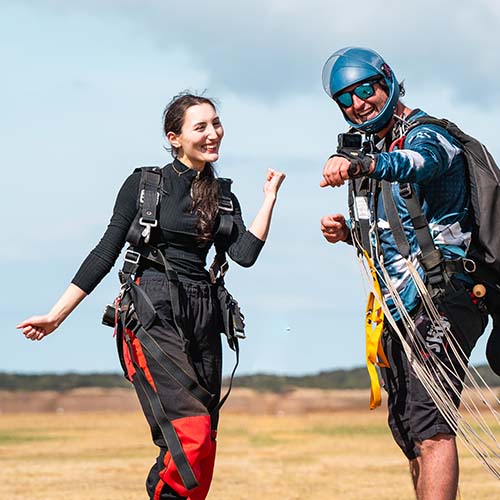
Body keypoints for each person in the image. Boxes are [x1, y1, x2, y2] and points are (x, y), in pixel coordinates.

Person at [17, 92, 286, 500]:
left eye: (215, 123)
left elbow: (244, 255)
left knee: (204, 444)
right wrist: (57, 315)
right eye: (200, 127)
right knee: (189, 434)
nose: (213, 133)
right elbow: (105, 251)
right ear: (174, 137)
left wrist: (269, 199)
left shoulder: (223, 195)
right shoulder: (145, 185)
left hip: (205, 312)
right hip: (152, 310)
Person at [319, 47, 488, 500]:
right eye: (345, 99)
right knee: (410, 431)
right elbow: (401, 233)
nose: (358, 103)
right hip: (398, 306)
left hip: (445, 295)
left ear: (387, 81)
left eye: (364, 89)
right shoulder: (377, 150)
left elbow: (421, 163)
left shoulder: (429, 135)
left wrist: (363, 164)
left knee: (432, 428)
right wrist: (349, 234)